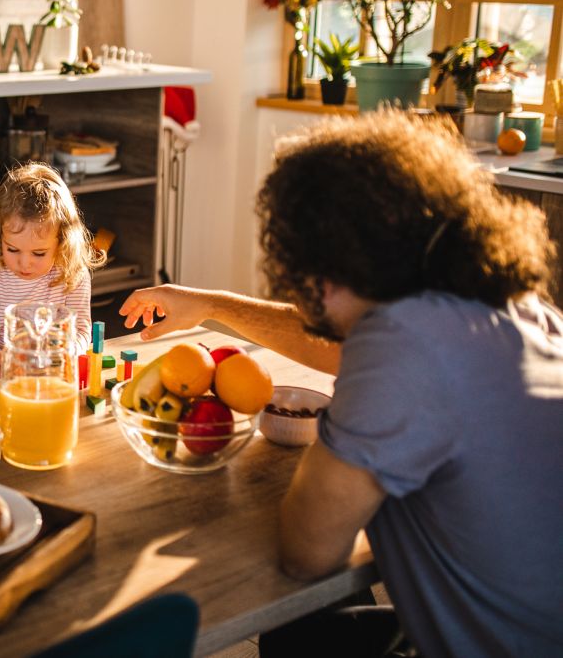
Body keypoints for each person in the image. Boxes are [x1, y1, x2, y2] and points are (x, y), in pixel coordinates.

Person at [121, 111, 563, 657]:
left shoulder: (402, 350)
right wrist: (212, 307)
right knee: (309, 625)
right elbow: (339, 346)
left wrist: (342, 439)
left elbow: (308, 553)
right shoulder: (512, 309)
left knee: (297, 620)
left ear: (320, 267)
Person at [0, 162, 105, 376]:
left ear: (62, 241)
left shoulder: (73, 276)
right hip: (5, 380)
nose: (25, 263)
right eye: (12, 249)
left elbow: (81, 332)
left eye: (38, 253)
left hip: (53, 376)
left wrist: (63, 352)